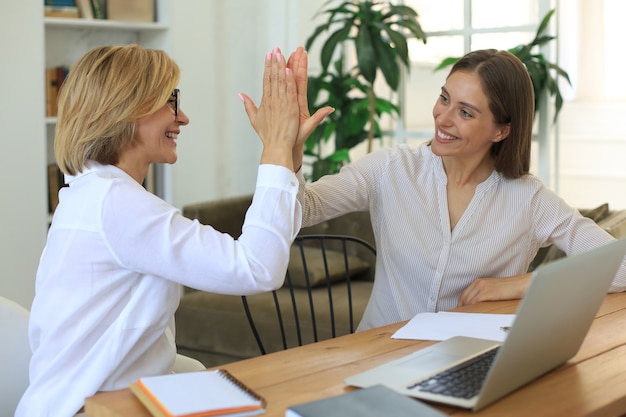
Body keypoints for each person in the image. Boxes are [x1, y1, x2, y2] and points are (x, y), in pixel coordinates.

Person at [16, 44, 331, 417]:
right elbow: (257, 267)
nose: (183, 118)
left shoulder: (97, 194)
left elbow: (265, 251)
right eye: (170, 101)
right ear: (125, 106)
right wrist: (274, 149)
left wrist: (287, 154)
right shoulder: (114, 203)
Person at [291, 49, 626, 331]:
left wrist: (522, 284)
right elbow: (300, 211)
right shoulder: (391, 169)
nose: (443, 118)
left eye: (465, 112)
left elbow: (621, 268)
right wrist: (287, 147)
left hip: (470, 361)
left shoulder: (530, 200)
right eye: (444, 98)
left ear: (501, 131)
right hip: (375, 354)